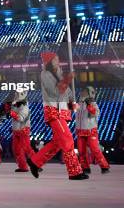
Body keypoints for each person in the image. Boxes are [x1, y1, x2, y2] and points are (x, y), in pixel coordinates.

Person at [27, 52, 87, 180]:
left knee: (57, 143)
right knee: (67, 140)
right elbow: (54, 91)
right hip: (54, 111)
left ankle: (35, 162)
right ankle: (74, 172)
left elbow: (68, 91)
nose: (58, 61)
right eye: (55, 59)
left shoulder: (59, 73)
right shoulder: (45, 74)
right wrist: (67, 80)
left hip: (62, 111)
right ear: (49, 62)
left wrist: (72, 103)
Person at [76, 86, 109, 174]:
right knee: (81, 151)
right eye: (82, 91)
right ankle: (85, 168)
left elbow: (96, 113)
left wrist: (89, 105)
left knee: (95, 150)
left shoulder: (92, 103)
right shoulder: (79, 103)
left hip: (90, 131)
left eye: (85, 92)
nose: (82, 93)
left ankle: (104, 167)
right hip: (80, 131)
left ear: (90, 93)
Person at [9, 89, 34, 172]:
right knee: (16, 149)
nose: (15, 96)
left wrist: (11, 113)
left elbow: (20, 118)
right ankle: (23, 166)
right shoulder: (16, 106)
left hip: (23, 130)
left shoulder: (25, 108)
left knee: (26, 148)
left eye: (17, 95)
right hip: (16, 130)